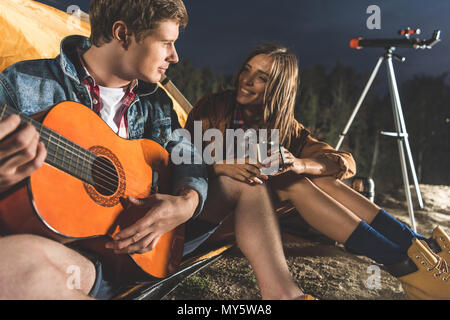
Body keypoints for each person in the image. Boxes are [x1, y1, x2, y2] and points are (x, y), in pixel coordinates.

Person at [185, 43, 450, 300]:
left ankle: (419, 246)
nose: (246, 80)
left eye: (261, 77)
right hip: (207, 211)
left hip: (253, 218)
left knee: (312, 176)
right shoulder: (214, 108)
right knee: (292, 183)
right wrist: (222, 165)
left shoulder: (288, 128)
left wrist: (300, 163)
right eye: (246, 70)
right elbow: (181, 160)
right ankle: (405, 265)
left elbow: (343, 162)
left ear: (279, 88)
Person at [0, 0, 212, 300]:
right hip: (68, 254)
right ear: (122, 33)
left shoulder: (156, 102)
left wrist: (187, 203)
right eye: (166, 42)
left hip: (142, 255)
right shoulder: (22, 84)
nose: (175, 56)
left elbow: (187, 155)